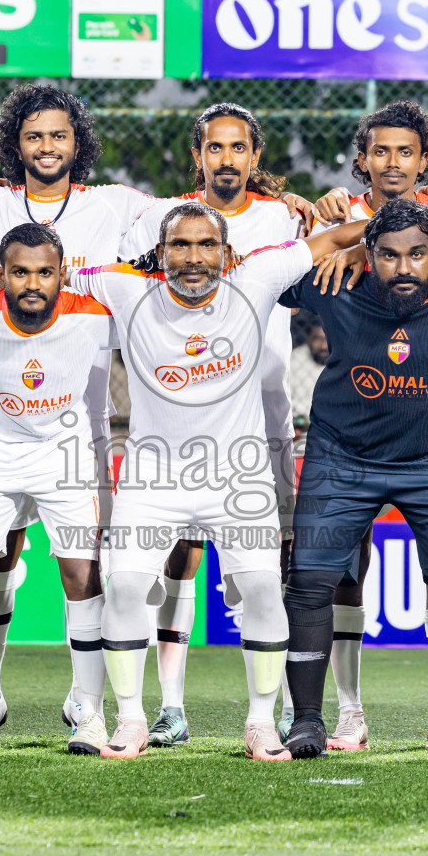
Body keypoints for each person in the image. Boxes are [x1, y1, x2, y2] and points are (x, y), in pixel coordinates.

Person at [0, 201, 368, 760]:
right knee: (124, 588)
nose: (193, 258)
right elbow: (48, 270)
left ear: (227, 252)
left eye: (205, 246)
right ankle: (129, 720)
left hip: (237, 474)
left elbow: (336, 237)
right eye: (179, 245)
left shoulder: (259, 275)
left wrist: (401, 234)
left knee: (267, 590)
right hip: (154, 476)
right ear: (160, 251)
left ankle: (260, 723)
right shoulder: (126, 287)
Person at [0, 84, 155, 745]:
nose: (47, 147)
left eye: (59, 136)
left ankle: (84, 700)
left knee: (83, 569)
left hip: (77, 430)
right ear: (16, 144)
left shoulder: (115, 206)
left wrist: (296, 203)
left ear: (79, 144)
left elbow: (202, 220)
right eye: (34, 136)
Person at [279, 200, 428, 760]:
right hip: (341, 457)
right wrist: (345, 240)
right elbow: (269, 270)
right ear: (370, 255)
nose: (403, 267)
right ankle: (307, 722)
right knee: (309, 582)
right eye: (387, 255)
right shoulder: (336, 284)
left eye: (417, 254)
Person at [117, 103, 313, 750]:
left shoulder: (285, 215)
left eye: (239, 148)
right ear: (197, 155)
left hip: (262, 415)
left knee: (258, 570)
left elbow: (332, 241)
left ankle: (275, 703)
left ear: (256, 157)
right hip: (177, 417)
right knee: (172, 559)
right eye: (214, 148)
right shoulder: (160, 218)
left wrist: (334, 204)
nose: (226, 159)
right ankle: (169, 704)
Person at [305, 99, 428, 752]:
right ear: (362, 160)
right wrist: (354, 235)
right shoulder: (340, 218)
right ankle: (349, 711)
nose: (393, 163)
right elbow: (311, 253)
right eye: (381, 151)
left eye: (406, 152)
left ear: (424, 160)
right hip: (355, 420)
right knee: (347, 568)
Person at [0, 224, 116, 756]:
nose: (31, 283)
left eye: (43, 272)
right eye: (17, 272)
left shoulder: (92, 311)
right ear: (1, 273)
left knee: (82, 574)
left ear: (62, 271)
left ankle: (90, 711)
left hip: (62, 458)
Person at [288, 317, 326, 421]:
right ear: (308, 338)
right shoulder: (294, 359)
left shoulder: (343, 361)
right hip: (299, 424)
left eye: (327, 339)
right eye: (317, 339)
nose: (323, 346)